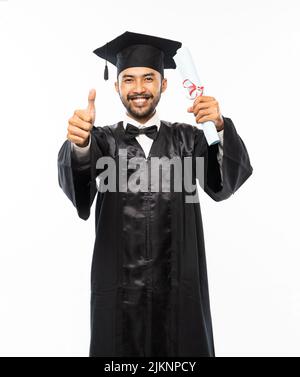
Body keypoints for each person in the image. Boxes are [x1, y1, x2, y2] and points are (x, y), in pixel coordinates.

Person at [57, 31, 253, 357]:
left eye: (148, 78)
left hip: (179, 291)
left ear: (163, 84)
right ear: (116, 86)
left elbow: (225, 184)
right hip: (118, 293)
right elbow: (79, 187)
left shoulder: (190, 140)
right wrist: (79, 146)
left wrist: (218, 127)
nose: (138, 89)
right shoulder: (101, 142)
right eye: (128, 79)